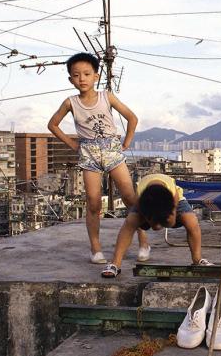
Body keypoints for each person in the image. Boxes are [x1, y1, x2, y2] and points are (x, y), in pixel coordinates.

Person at [47, 53, 149, 265]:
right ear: (70, 79)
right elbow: (53, 124)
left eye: (86, 74)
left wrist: (127, 142)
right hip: (88, 154)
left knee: (130, 198)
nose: (81, 79)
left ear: (96, 76)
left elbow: (132, 117)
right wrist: (73, 144)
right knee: (93, 202)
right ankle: (95, 248)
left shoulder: (106, 96)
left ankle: (143, 240)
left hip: (112, 150)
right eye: (76, 75)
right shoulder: (71, 102)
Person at [100, 172, 213, 277]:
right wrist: (150, 221)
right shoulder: (140, 198)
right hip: (147, 201)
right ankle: (115, 263)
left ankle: (197, 259)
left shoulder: (173, 195)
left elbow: (172, 222)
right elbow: (143, 218)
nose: (156, 228)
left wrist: (164, 220)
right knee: (130, 222)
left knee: (192, 220)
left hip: (171, 201)